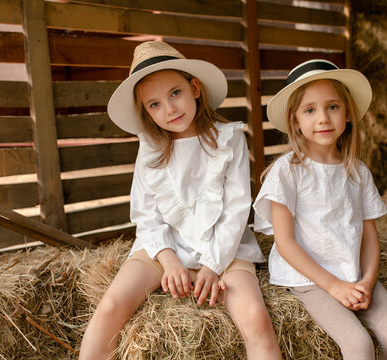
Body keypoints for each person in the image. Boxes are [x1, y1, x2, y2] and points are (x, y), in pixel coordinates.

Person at [79, 41, 282, 360]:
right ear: (145, 111)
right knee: (110, 307)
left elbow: (236, 210)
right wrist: (168, 259)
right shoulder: (150, 147)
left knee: (256, 319)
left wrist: (213, 265)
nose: (169, 109)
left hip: (224, 249)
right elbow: (145, 213)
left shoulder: (230, 139)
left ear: (195, 88)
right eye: (154, 104)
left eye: (175, 93)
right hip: (163, 245)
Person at [253, 59, 387, 360]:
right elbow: (285, 243)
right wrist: (334, 287)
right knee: (359, 346)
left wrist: (366, 281)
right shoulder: (288, 172)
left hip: (353, 272)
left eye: (333, 107)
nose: (323, 118)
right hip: (310, 278)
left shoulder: (358, 172)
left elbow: (369, 238)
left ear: (348, 112)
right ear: (294, 120)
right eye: (310, 110)